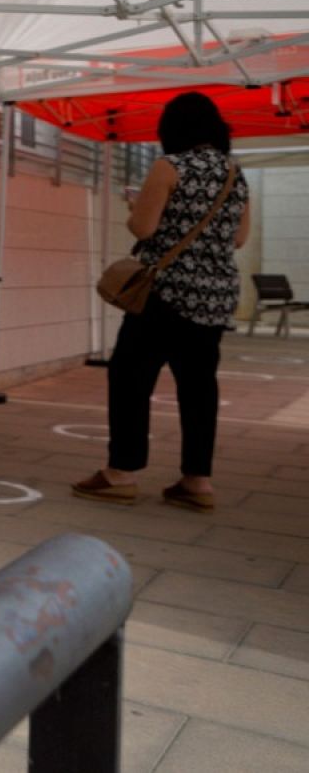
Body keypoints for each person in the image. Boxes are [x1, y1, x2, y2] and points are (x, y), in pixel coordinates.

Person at [73, 92, 250, 513]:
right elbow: (239, 239)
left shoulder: (170, 166)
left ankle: (121, 473)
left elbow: (145, 227)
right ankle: (197, 481)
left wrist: (136, 205)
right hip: (214, 298)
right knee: (198, 386)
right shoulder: (234, 175)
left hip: (166, 294)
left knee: (131, 377)